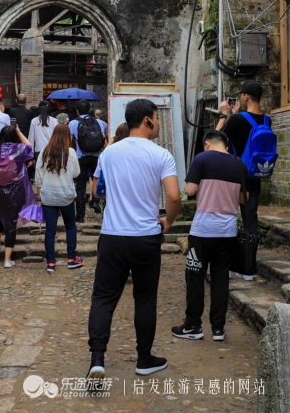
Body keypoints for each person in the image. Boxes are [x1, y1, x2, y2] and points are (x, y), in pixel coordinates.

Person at [87, 99, 181, 380]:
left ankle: (97, 359)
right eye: (156, 118)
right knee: (145, 298)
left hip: (113, 235)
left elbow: (96, 192)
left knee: (103, 298)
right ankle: (144, 358)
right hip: (146, 237)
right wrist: (169, 221)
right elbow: (175, 197)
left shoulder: (109, 153)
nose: (159, 123)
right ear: (148, 121)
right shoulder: (161, 155)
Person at [172, 131, 246, 343]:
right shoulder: (239, 164)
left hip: (203, 230)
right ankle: (218, 329)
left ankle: (193, 324)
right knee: (221, 279)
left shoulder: (202, 159)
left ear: (207, 144)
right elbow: (242, 198)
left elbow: (190, 190)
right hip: (228, 231)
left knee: (195, 276)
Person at [216, 80, 269, 280]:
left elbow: (215, 138)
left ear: (245, 97)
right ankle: (247, 268)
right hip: (254, 176)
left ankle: (227, 265)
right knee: (250, 219)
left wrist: (225, 114)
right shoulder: (266, 120)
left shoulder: (237, 120)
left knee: (228, 216)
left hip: (234, 175)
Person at [35, 123, 83, 273]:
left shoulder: (44, 151)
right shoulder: (71, 153)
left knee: (50, 230)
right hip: (66, 195)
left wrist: (39, 191)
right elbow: (76, 173)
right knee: (70, 226)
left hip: (48, 195)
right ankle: (71, 258)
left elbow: (38, 174)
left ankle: (51, 262)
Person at [0, 125, 35, 267]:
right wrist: (20, 132)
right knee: (12, 223)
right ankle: (7, 260)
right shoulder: (19, 149)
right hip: (16, 190)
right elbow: (30, 147)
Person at [69, 99, 108, 220]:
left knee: (80, 186)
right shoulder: (100, 123)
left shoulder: (73, 123)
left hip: (81, 157)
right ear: (90, 110)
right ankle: (95, 201)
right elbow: (104, 141)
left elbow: (70, 142)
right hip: (96, 156)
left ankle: (80, 215)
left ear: (77, 111)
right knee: (96, 179)